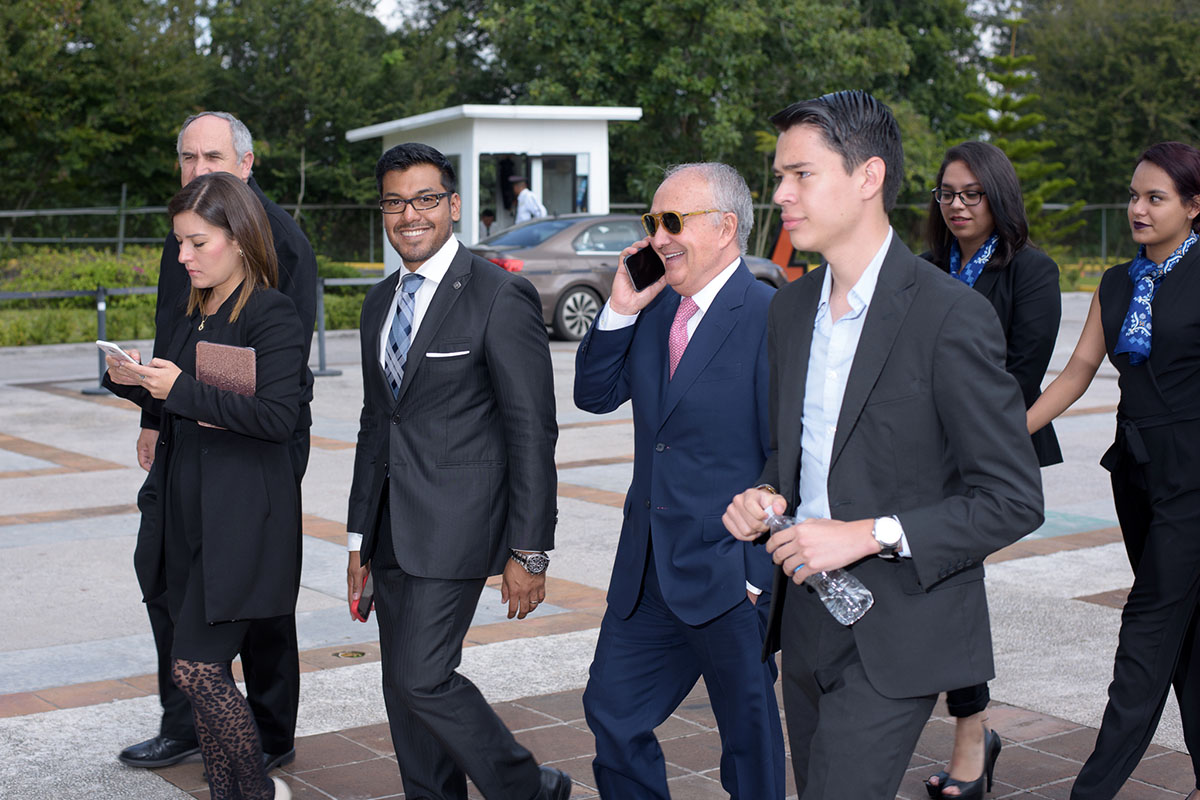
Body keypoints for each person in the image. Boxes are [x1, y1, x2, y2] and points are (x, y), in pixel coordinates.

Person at [721, 90, 1044, 798]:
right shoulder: (791, 310)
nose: (780, 194)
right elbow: (794, 457)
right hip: (803, 615)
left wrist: (867, 534)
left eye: (800, 174)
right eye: (780, 176)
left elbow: (1013, 500)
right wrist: (766, 497)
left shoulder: (950, 316)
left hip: (902, 625)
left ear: (868, 178)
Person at [344, 143, 570, 800]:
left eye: (424, 199)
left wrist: (529, 548)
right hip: (389, 528)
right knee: (401, 693)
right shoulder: (378, 302)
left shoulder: (500, 294)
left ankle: (528, 787)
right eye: (394, 201)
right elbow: (374, 424)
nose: (409, 214)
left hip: (461, 526)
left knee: (423, 678)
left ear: (453, 204)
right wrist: (360, 537)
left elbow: (532, 429)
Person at [574, 162, 786, 799]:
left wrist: (757, 578)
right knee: (612, 713)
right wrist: (617, 307)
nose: (659, 237)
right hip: (647, 572)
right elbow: (592, 393)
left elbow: (788, 455)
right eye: (653, 222)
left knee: (749, 746)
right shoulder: (650, 307)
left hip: (730, 575)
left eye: (673, 222)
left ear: (725, 227)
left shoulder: (770, 316)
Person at [118, 111, 316, 773]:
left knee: (252, 606)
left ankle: (264, 735)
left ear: (247, 165)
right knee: (166, 581)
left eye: (213, 158)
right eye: (188, 158)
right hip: (186, 453)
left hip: (248, 463)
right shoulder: (189, 242)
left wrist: (179, 391)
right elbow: (178, 356)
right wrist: (142, 393)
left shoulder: (276, 261)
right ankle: (194, 726)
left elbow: (272, 399)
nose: (198, 170)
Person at [1026, 141, 1200, 800]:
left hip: (1195, 475)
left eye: (1155, 197)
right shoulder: (1119, 280)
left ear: (1193, 206)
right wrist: (1009, 436)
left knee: (1150, 622)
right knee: (1185, 634)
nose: (1137, 208)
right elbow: (1078, 370)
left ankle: (1091, 791)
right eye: (1133, 195)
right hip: (1135, 472)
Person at [921, 140, 1063, 799]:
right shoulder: (923, 267)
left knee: (953, 582)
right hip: (922, 457)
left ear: (998, 197)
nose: (956, 205)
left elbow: (1021, 376)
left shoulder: (1029, 271)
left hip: (986, 461)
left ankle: (972, 738)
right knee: (945, 586)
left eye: (971, 193)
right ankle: (972, 734)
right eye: (947, 193)